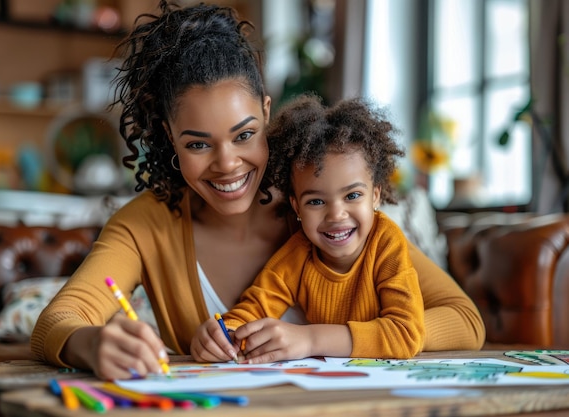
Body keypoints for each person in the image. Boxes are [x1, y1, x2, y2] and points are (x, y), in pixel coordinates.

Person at [30, 0, 485, 381]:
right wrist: (92, 344)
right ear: (169, 137)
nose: (227, 163)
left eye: (244, 135)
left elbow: (462, 319)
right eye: (197, 144)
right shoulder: (145, 225)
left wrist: (334, 338)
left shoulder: (320, 205)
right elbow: (56, 321)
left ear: (266, 113)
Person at [191, 94, 425, 363]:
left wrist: (310, 339)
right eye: (315, 201)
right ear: (296, 207)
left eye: (352, 196)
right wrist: (224, 335)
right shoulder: (297, 254)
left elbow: (407, 333)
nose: (336, 215)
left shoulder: (386, 242)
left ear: (375, 196)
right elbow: (255, 307)